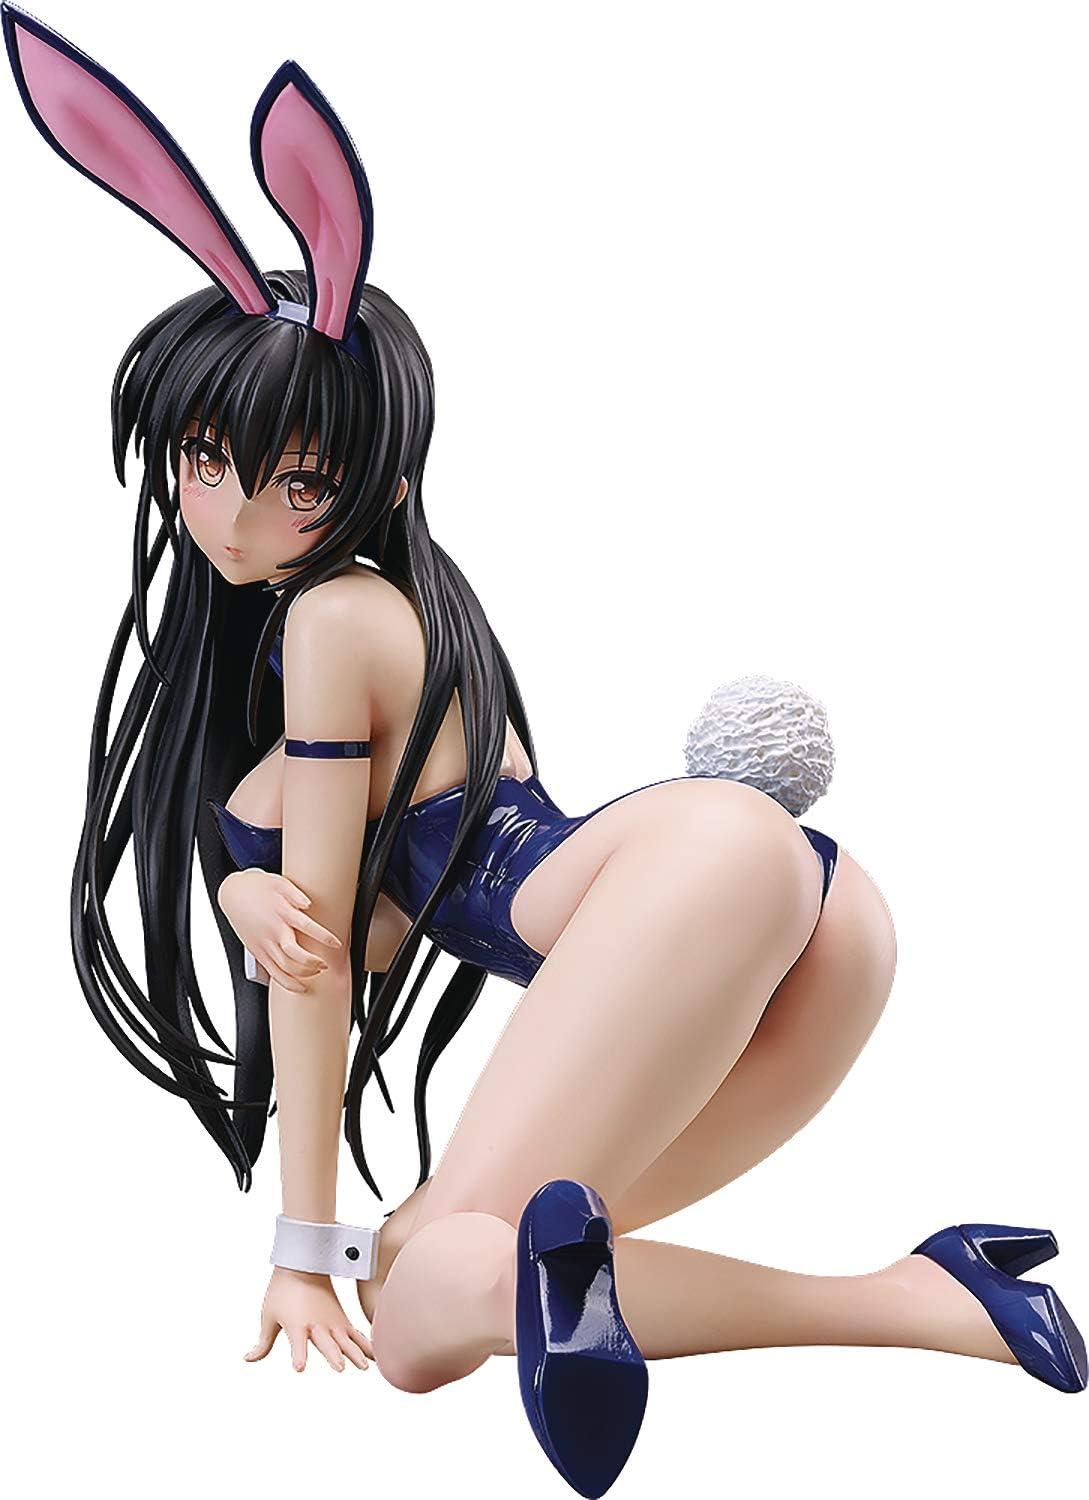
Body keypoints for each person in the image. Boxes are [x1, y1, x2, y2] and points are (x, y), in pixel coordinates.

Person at [4, 7, 1082, 1497]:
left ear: (377, 481)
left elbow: (322, 962)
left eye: (291, 481)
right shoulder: (382, 620)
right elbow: (347, 928)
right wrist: (250, 894)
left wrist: (301, 1239)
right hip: (814, 919)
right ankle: (931, 1293)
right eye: (203, 463)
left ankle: (910, 1301)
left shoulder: (335, 621)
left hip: (694, 873)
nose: (234, 515)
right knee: (439, 1272)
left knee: (408, 1317)